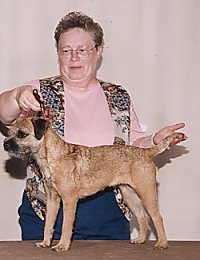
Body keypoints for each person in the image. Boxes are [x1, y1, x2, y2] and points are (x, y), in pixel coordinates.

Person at [0, 11, 186, 241]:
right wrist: (17, 95)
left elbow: (133, 145)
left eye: (82, 50)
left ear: (98, 51)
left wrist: (155, 141)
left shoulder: (118, 96)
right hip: (45, 213)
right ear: (58, 54)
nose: (74, 57)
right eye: (66, 51)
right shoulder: (38, 91)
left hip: (107, 217)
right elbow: (4, 113)